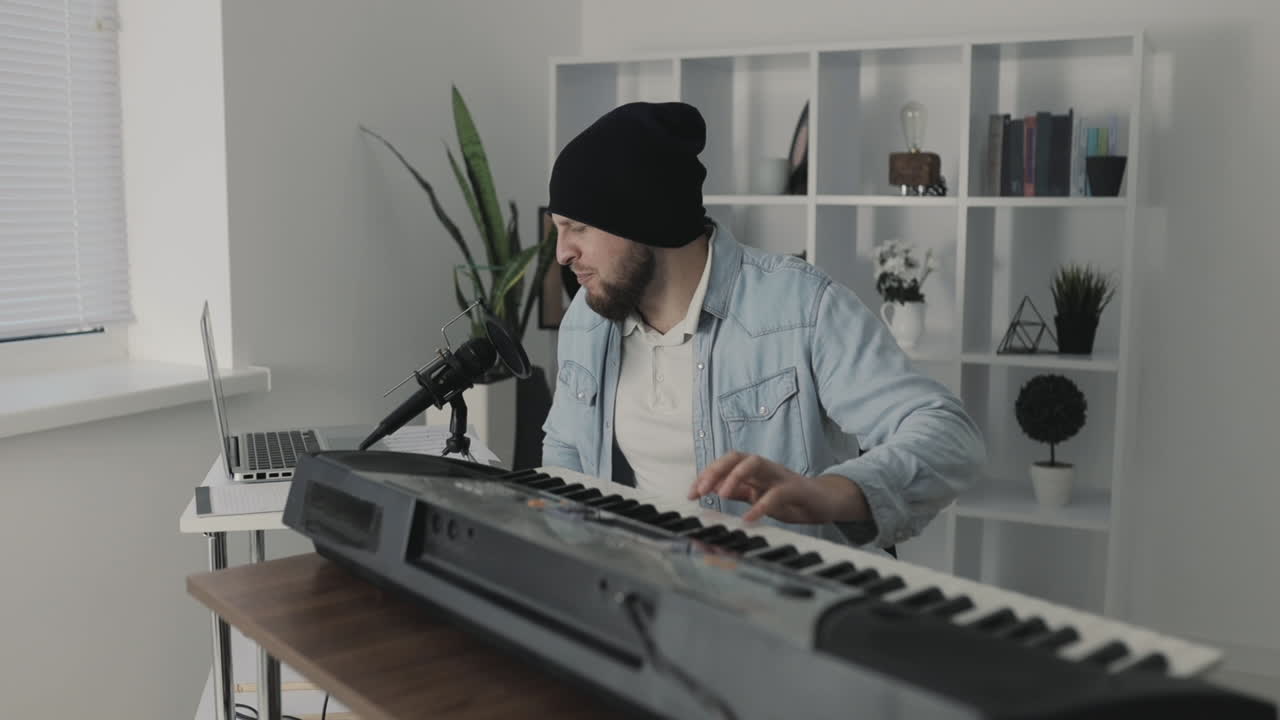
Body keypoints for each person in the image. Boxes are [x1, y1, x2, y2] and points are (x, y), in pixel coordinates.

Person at [540, 101, 985, 552]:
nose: (562, 253)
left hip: (786, 595)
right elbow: (567, 450)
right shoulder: (588, 317)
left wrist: (833, 492)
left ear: (642, 215)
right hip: (647, 592)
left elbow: (948, 435)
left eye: (577, 227)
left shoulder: (800, 307)